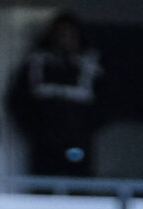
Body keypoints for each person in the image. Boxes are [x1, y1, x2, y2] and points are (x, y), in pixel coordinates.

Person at [6, 12, 102, 177]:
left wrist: (85, 130)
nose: (64, 39)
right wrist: (36, 131)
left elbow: (107, 103)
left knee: (80, 190)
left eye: (69, 34)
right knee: (43, 189)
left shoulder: (91, 66)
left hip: (78, 144)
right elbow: (17, 101)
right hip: (44, 145)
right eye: (60, 34)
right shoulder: (35, 64)